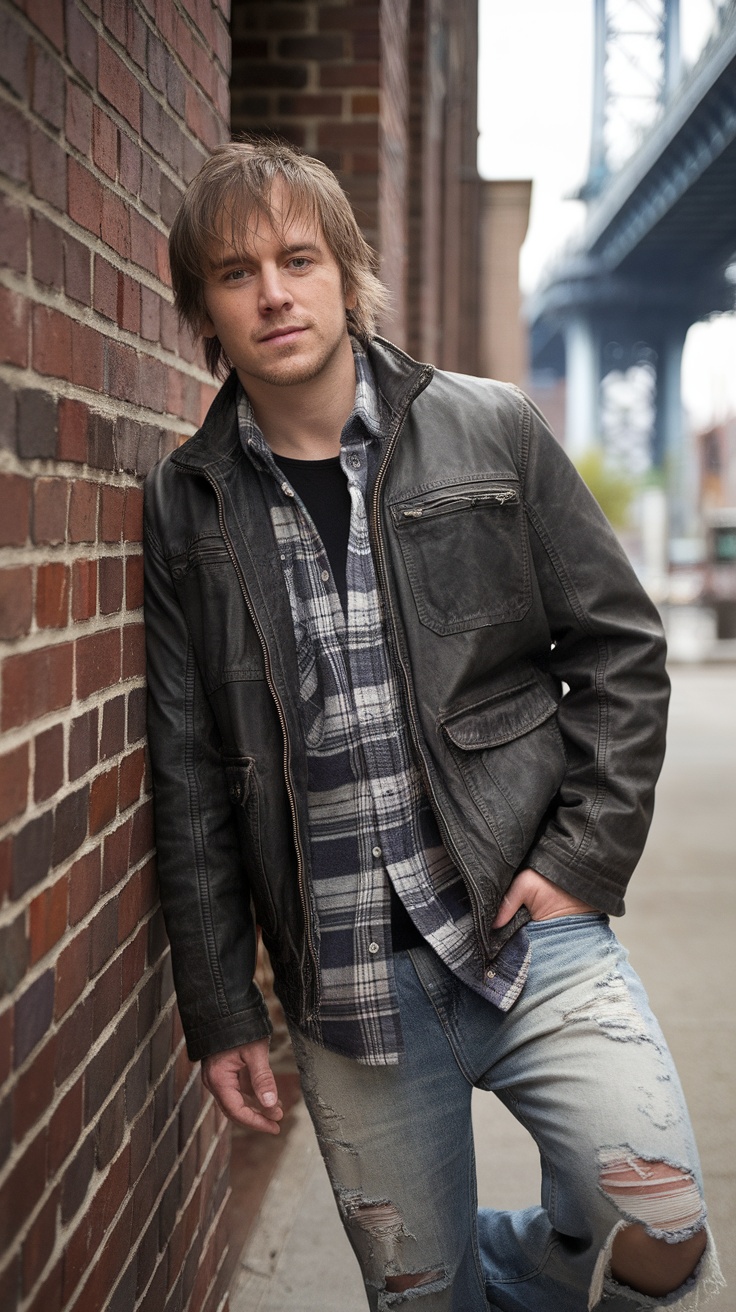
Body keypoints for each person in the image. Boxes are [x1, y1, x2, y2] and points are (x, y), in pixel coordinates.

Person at [144, 139, 723, 1311]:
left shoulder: (489, 427)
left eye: (298, 258)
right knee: (421, 1294)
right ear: (203, 307)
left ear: (346, 272)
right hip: (348, 990)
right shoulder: (185, 499)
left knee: (659, 1231)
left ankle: (512, 1260)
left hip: (527, 934)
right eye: (235, 271)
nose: (273, 292)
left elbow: (621, 651)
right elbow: (193, 774)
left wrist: (577, 863)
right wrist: (219, 1007)